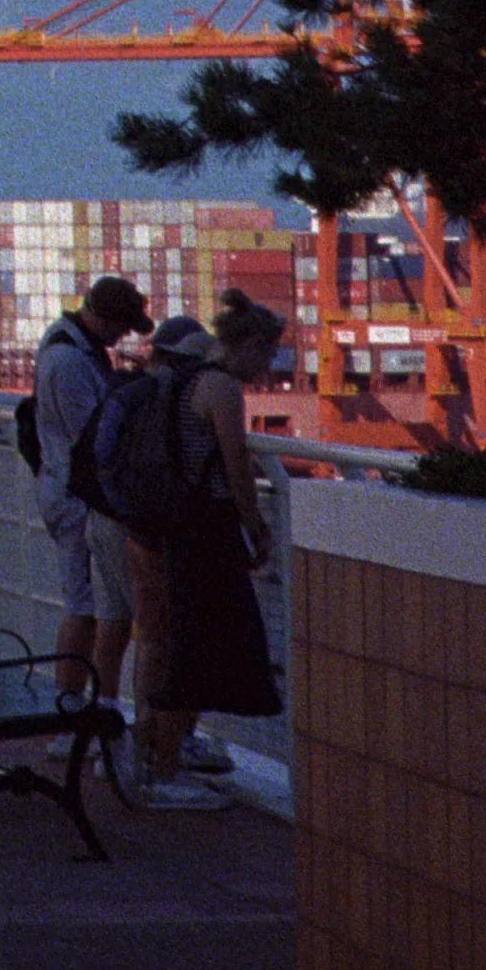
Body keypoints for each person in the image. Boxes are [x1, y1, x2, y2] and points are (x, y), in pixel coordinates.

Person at [125, 294, 286, 805]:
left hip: (173, 526)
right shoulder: (220, 388)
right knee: (195, 649)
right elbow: (237, 468)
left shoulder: (180, 379)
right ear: (250, 344)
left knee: (178, 642)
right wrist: (256, 528)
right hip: (205, 531)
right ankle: (168, 772)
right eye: (268, 356)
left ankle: (154, 761)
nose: (268, 369)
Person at [29, 272, 152, 719]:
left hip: (68, 489)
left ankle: (78, 711)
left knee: (89, 607)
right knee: (84, 609)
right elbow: (93, 434)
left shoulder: (71, 348)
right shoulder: (68, 362)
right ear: (100, 317)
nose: (122, 336)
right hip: (76, 497)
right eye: (120, 326)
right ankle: (70, 715)